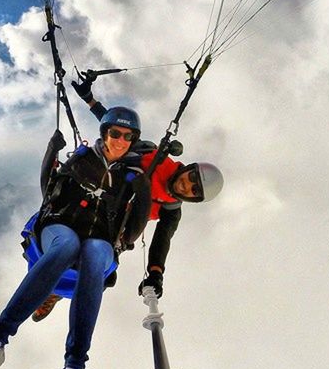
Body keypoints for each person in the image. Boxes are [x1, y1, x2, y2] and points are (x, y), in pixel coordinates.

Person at [0, 108, 151, 369]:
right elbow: (48, 187)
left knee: (91, 253)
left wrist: (124, 238)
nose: (119, 140)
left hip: (102, 241)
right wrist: (54, 150)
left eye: (127, 136)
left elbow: (138, 221)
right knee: (68, 246)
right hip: (58, 228)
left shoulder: (134, 177)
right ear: (105, 133)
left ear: (133, 140)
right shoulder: (81, 159)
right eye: (114, 133)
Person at [71, 74, 224, 300]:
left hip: (115, 228)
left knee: (101, 271)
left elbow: (162, 240)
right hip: (97, 197)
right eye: (191, 177)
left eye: (193, 190)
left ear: (193, 199)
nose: (186, 184)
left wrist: (155, 275)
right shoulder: (154, 156)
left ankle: (55, 291)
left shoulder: (171, 209)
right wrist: (90, 100)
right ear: (188, 168)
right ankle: (51, 284)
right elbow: (119, 131)